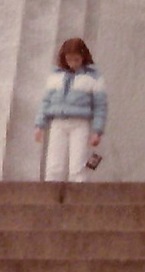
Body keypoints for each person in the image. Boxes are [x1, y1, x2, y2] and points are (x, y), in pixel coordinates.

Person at [33, 37, 107, 183]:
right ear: (64, 58)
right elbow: (45, 102)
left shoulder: (93, 78)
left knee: (78, 165)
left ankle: (77, 196)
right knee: (54, 164)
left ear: (83, 57)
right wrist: (39, 125)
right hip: (58, 122)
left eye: (76, 59)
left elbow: (100, 106)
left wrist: (97, 131)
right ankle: (51, 195)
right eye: (69, 59)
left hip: (80, 123)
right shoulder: (55, 77)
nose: (72, 63)